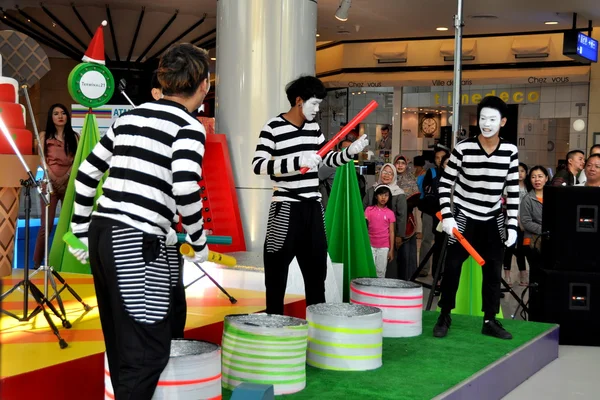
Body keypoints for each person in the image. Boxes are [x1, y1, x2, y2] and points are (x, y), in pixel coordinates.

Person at [68, 43, 211, 399]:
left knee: (120, 341)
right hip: (136, 240)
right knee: (144, 352)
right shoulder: (189, 127)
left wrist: (80, 231)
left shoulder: (129, 118)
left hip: (103, 232)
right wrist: (198, 241)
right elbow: (185, 188)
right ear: (204, 84)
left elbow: (86, 174)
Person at [252, 75, 368, 315]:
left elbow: (325, 160)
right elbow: (258, 165)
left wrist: (348, 154)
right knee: (275, 276)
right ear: (298, 101)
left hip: (314, 209)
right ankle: (274, 330)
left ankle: (318, 336)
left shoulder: (314, 129)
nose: (317, 110)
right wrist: (297, 161)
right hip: (285, 208)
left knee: (317, 277)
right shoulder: (273, 127)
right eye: (314, 104)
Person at [434, 95, 519, 340]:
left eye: (492, 119)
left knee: (493, 271)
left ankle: (490, 320)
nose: (487, 123)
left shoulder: (510, 151)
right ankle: (444, 314)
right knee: (452, 267)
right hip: (464, 217)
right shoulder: (463, 148)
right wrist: (448, 215)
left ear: (502, 122)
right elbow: (444, 184)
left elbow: (512, 190)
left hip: (493, 217)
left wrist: (512, 224)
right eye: (483, 118)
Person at [34, 104, 79, 268]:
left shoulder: (75, 136)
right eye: (56, 113)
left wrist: (65, 176)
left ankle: (68, 263)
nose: (60, 116)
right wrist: (52, 176)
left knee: (70, 224)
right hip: (49, 184)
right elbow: (41, 159)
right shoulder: (44, 135)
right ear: (51, 117)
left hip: (69, 184)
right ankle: (38, 264)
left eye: (63, 113)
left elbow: (76, 162)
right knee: (46, 226)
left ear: (67, 116)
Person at [363, 163, 407, 278]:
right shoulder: (371, 190)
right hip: (371, 235)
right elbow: (364, 208)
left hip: (389, 235)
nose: (387, 175)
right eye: (384, 172)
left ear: (394, 175)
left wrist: (399, 235)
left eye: (390, 173)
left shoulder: (399, 193)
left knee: (387, 263)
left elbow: (402, 216)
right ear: (380, 172)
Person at [393, 155, 420, 280]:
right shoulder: (389, 177)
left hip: (406, 218)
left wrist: (404, 207)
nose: (400, 165)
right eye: (397, 163)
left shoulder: (411, 179)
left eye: (402, 163)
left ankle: (407, 278)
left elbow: (416, 197)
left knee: (406, 251)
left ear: (406, 165)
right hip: (390, 219)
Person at [503, 162, 529, 286]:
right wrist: (517, 218)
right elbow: (506, 204)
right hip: (512, 221)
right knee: (510, 247)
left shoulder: (529, 187)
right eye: (517, 171)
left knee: (522, 249)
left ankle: (523, 273)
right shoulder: (509, 186)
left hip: (526, 223)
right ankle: (507, 274)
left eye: (522, 171)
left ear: (526, 173)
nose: (520, 173)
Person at [520, 166, 549, 270]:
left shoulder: (552, 197)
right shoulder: (527, 199)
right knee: (536, 272)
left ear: (546, 178)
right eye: (533, 177)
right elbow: (526, 222)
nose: (537, 180)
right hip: (532, 242)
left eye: (540, 176)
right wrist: (544, 230)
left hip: (548, 240)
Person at [365, 185, 396, 278]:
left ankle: (378, 291)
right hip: (370, 245)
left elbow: (391, 232)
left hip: (384, 246)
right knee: (369, 269)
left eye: (386, 195)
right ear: (375, 196)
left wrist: (391, 250)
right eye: (381, 195)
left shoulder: (390, 213)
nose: (383, 197)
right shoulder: (369, 210)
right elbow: (365, 227)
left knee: (381, 271)